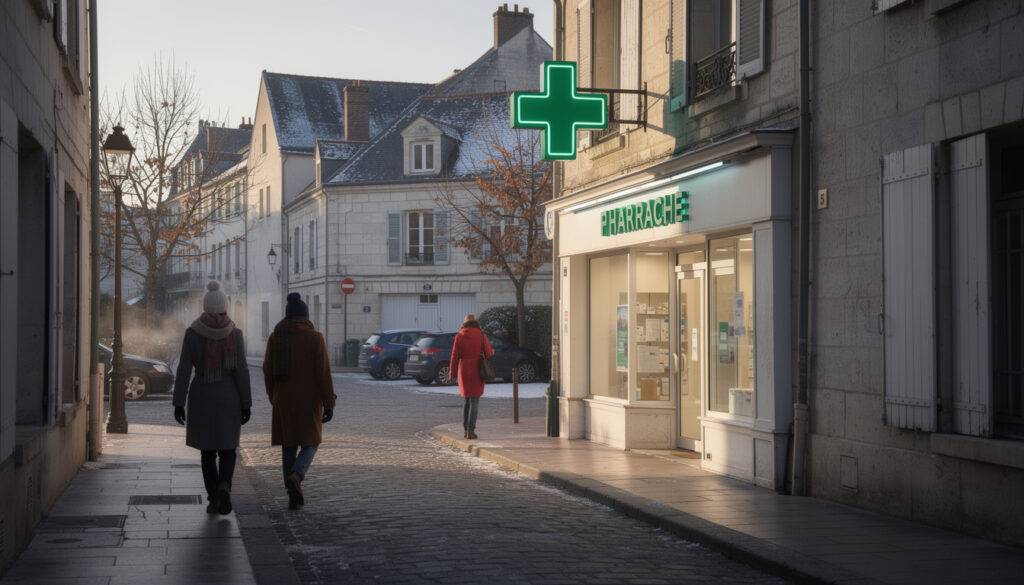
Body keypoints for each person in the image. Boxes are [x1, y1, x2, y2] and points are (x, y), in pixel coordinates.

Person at [173, 280, 252, 515]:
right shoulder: (235, 333)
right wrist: (246, 403)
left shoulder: (192, 333)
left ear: (205, 308)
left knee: (207, 451)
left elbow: (184, 368)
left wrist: (178, 401)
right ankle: (224, 486)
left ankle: (213, 497)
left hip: (202, 395)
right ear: (225, 308)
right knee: (228, 448)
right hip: (229, 395)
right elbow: (242, 370)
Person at [262, 293, 336, 510]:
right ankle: (297, 474)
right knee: (311, 442)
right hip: (309, 399)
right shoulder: (315, 338)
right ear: (305, 317)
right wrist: (329, 402)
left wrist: (272, 395)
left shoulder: (276, 336)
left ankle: (292, 494)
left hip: (283, 398)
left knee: (288, 444)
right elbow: (323, 373)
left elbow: (267, 369)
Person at [449, 314, 494, 440]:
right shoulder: (481, 335)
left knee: (467, 400)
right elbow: (489, 353)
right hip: (477, 370)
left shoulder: (459, 336)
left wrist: (452, 373)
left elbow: (454, 356)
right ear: (476, 322)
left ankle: (465, 429)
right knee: (475, 401)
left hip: (463, 370)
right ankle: (471, 429)